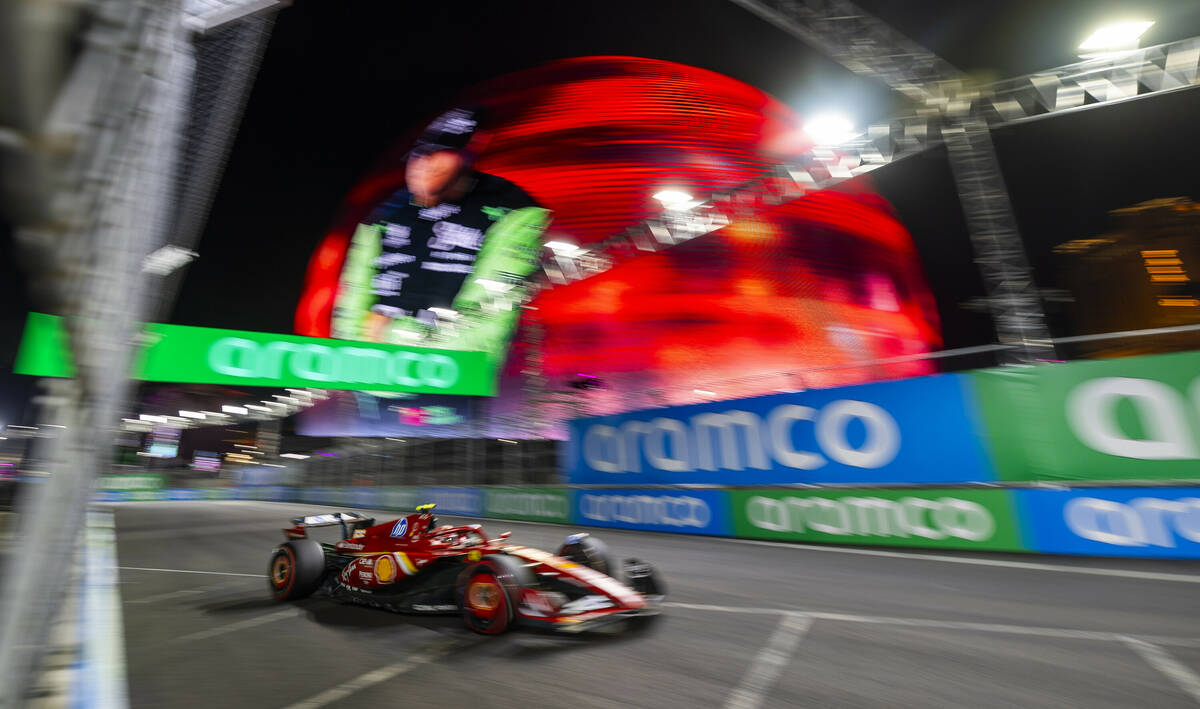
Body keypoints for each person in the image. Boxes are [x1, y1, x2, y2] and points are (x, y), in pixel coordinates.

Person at [332, 107, 550, 356]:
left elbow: (482, 334)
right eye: (418, 154)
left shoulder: (511, 209)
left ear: (473, 150)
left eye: (441, 152)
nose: (424, 163)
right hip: (372, 383)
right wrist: (357, 363)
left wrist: (390, 334)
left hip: (449, 385)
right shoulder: (382, 214)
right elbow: (349, 312)